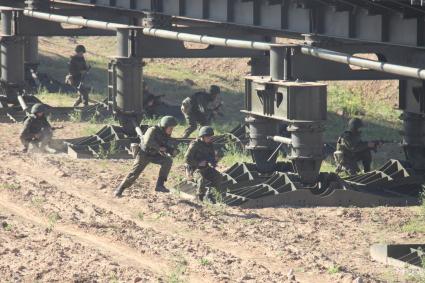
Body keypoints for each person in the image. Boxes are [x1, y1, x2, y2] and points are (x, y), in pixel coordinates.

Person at [114, 116, 178, 198]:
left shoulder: (165, 133)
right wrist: (159, 148)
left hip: (154, 154)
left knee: (168, 161)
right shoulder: (152, 130)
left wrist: (172, 150)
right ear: (164, 126)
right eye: (171, 128)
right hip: (144, 154)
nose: (171, 130)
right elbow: (147, 142)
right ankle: (119, 189)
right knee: (134, 173)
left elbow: (165, 144)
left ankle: (160, 185)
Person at [184, 126, 225, 202]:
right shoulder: (195, 144)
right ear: (202, 136)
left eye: (211, 136)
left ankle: (211, 195)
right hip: (194, 168)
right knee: (201, 179)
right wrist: (198, 163)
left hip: (205, 168)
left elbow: (211, 158)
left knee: (218, 176)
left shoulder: (210, 145)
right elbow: (186, 159)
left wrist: (215, 160)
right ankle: (199, 198)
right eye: (208, 136)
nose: (210, 138)